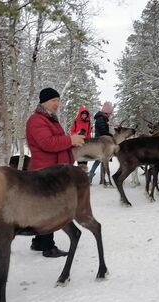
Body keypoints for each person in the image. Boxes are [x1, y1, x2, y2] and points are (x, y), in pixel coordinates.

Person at [25, 87, 84, 257]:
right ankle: (47, 246)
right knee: (49, 209)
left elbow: (57, 142)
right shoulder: (37, 120)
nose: (57, 104)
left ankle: (38, 242)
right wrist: (70, 139)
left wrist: (73, 142)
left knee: (45, 207)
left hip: (53, 170)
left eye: (58, 100)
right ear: (44, 102)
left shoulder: (50, 119)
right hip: (44, 171)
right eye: (53, 100)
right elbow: (47, 143)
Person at [90, 101, 114, 182]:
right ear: (106, 113)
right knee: (100, 160)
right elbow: (103, 131)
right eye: (109, 113)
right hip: (101, 143)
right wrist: (111, 136)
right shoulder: (101, 119)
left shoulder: (101, 118)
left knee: (101, 160)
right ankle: (92, 174)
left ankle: (100, 178)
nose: (110, 115)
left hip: (101, 142)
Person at [70, 107, 92, 174]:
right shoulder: (76, 122)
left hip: (86, 143)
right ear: (80, 114)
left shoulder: (88, 123)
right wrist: (77, 135)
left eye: (85, 115)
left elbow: (89, 132)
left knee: (85, 159)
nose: (84, 116)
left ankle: (84, 175)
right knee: (79, 159)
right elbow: (72, 131)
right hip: (78, 142)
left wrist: (89, 140)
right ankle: (79, 175)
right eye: (83, 114)